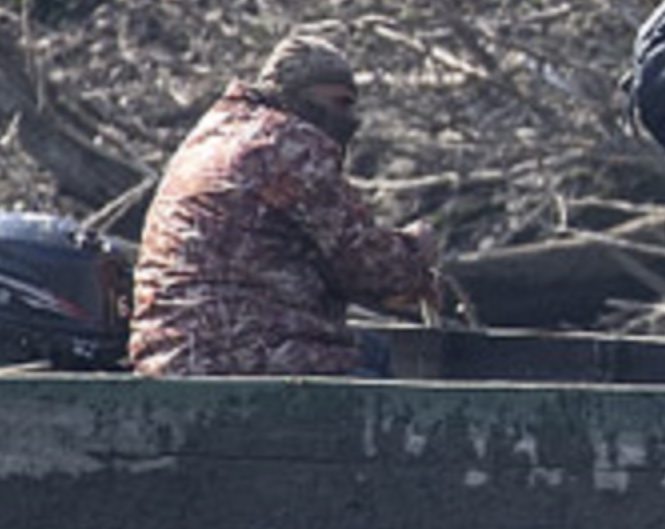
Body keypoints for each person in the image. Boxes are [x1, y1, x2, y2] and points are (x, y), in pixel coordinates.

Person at [129, 33, 443, 378]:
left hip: (166, 357)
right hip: (241, 354)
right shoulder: (291, 144)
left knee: (373, 350)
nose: (350, 119)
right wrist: (416, 252)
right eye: (340, 102)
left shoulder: (212, 133)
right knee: (378, 376)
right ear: (299, 94)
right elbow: (366, 266)